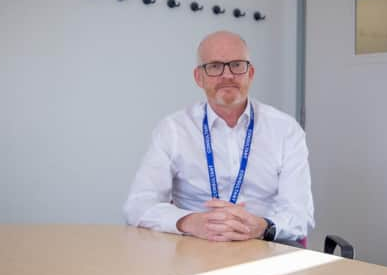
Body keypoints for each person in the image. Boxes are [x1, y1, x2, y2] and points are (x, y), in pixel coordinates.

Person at [124, 31, 314, 244]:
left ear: (250, 73)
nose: (227, 75)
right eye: (214, 66)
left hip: (266, 244)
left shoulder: (286, 129)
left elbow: (300, 214)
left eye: (237, 65)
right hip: (195, 246)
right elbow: (138, 205)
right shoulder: (173, 129)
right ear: (199, 77)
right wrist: (190, 222)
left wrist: (260, 226)